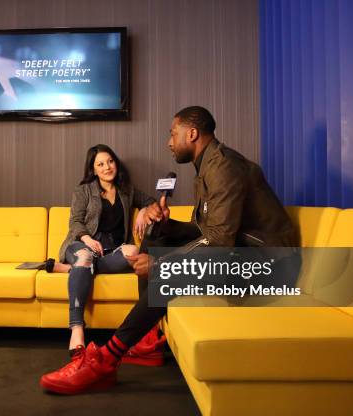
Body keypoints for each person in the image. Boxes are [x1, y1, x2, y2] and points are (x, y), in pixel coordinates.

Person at [40, 106, 298, 394]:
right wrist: (165, 225)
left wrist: (161, 265)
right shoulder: (207, 166)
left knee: (172, 271)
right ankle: (147, 340)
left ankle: (105, 360)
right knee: (155, 235)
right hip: (243, 252)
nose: (169, 142)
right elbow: (206, 231)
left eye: (173, 134)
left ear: (192, 133)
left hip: (269, 268)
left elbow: (220, 240)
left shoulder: (224, 167)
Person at [52, 144, 163, 363]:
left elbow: (150, 202)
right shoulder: (83, 191)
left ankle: (73, 271)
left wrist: (142, 211)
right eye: (100, 164)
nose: (107, 167)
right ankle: (76, 328)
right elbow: (74, 222)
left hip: (111, 250)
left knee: (134, 252)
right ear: (93, 170)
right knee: (85, 258)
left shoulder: (126, 190)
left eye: (110, 161)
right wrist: (87, 239)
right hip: (81, 245)